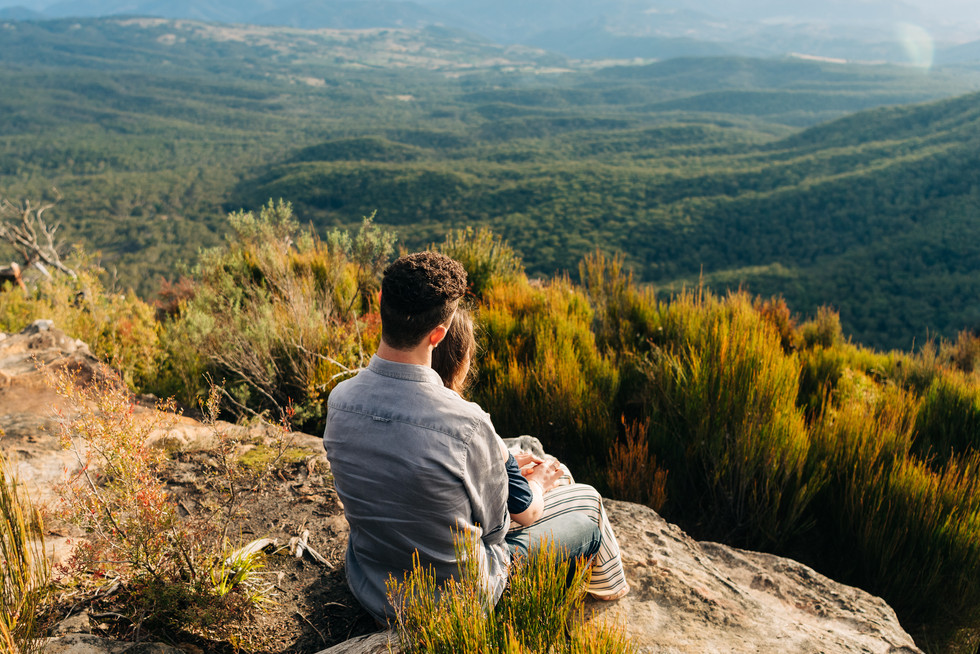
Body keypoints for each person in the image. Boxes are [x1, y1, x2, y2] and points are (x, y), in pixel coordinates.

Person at [322, 251, 605, 624]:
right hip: (454, 603)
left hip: (373, 587)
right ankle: (551, 623)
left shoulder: (340, 401)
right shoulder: (466, 425)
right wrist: (531, 482)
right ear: (438, 335)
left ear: (380, 302)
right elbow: (497, 529)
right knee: (587, 528)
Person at [431, 307, 630, 600]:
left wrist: (505, 467)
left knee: (553, 474)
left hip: (427, 549)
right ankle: (609, 588)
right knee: (586, 497)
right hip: (474, 571)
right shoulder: (473, 423)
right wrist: (537, 481)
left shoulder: (404, 411)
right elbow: (527, 513)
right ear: (462, 359)